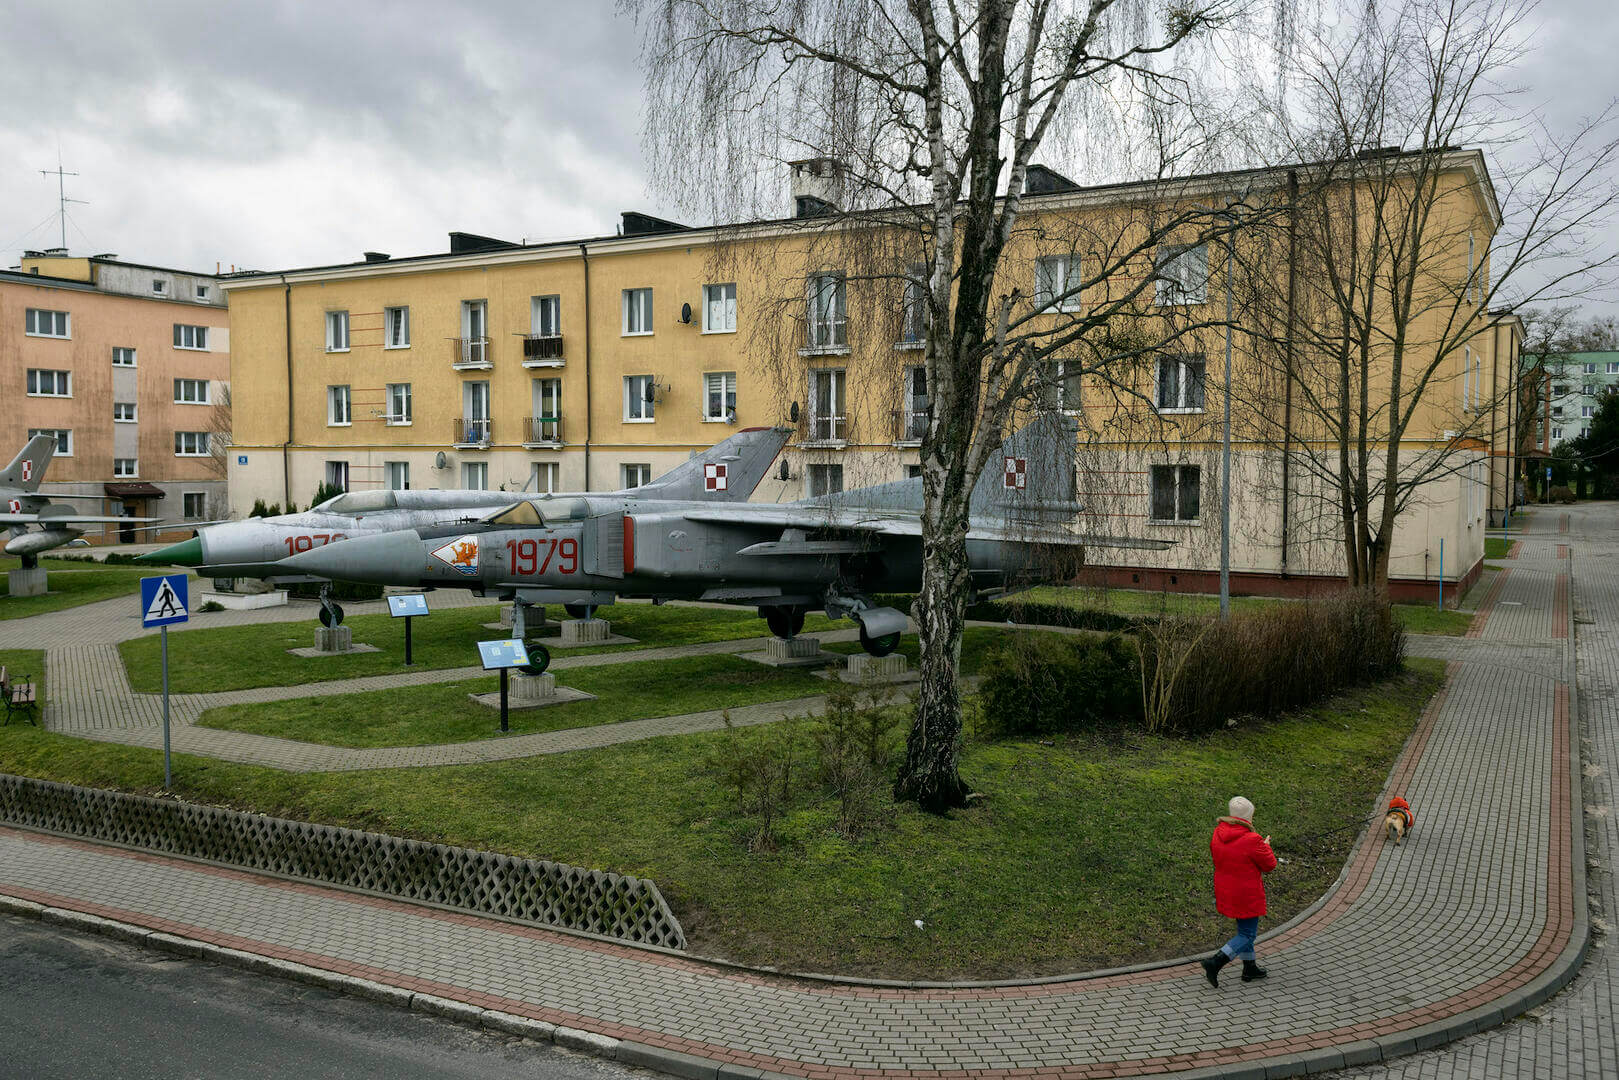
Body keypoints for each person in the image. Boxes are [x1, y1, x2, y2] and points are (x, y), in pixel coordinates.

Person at [1201, 795, 1277, 987]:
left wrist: (1260, 847)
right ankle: (1215, 962)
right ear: (1248, 817)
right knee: (1248, 935)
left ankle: (1249, 967)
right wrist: (1265, 847)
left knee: (1244, 929)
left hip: (1226, 889)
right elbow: (1270, 865)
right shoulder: (1252, 839)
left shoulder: (1218, 832)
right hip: (1246, 892)